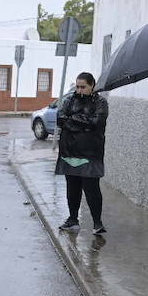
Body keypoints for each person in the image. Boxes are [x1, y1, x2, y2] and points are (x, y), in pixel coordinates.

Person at [54, 72, 108, 234]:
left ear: (92, 86)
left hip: (90, 153)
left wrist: (73, 121)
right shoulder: (69, 99)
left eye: (83, 87)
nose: (79, 90)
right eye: (77, 86)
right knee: (72, 187)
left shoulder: (101, 102)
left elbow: (96, 123)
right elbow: (61, 119)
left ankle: (97, 223)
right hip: (69, 150)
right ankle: (72, 219)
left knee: (91, 188)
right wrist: (83, 124)